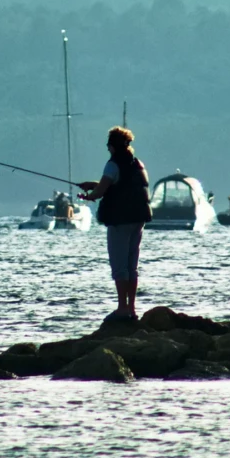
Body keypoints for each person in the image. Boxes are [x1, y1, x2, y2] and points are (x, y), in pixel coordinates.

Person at [78, 126, 152, 321]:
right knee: (131, 265)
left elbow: (101, 191)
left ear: (112, 145)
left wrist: (89, 195)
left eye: (108, 145)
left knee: (119, 265)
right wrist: (95, 185)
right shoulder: (138, 164)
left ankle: (122, 308)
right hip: (138, 220)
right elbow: (121, 186)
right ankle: (132, 309)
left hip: (120, 221)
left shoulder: (112, 165)